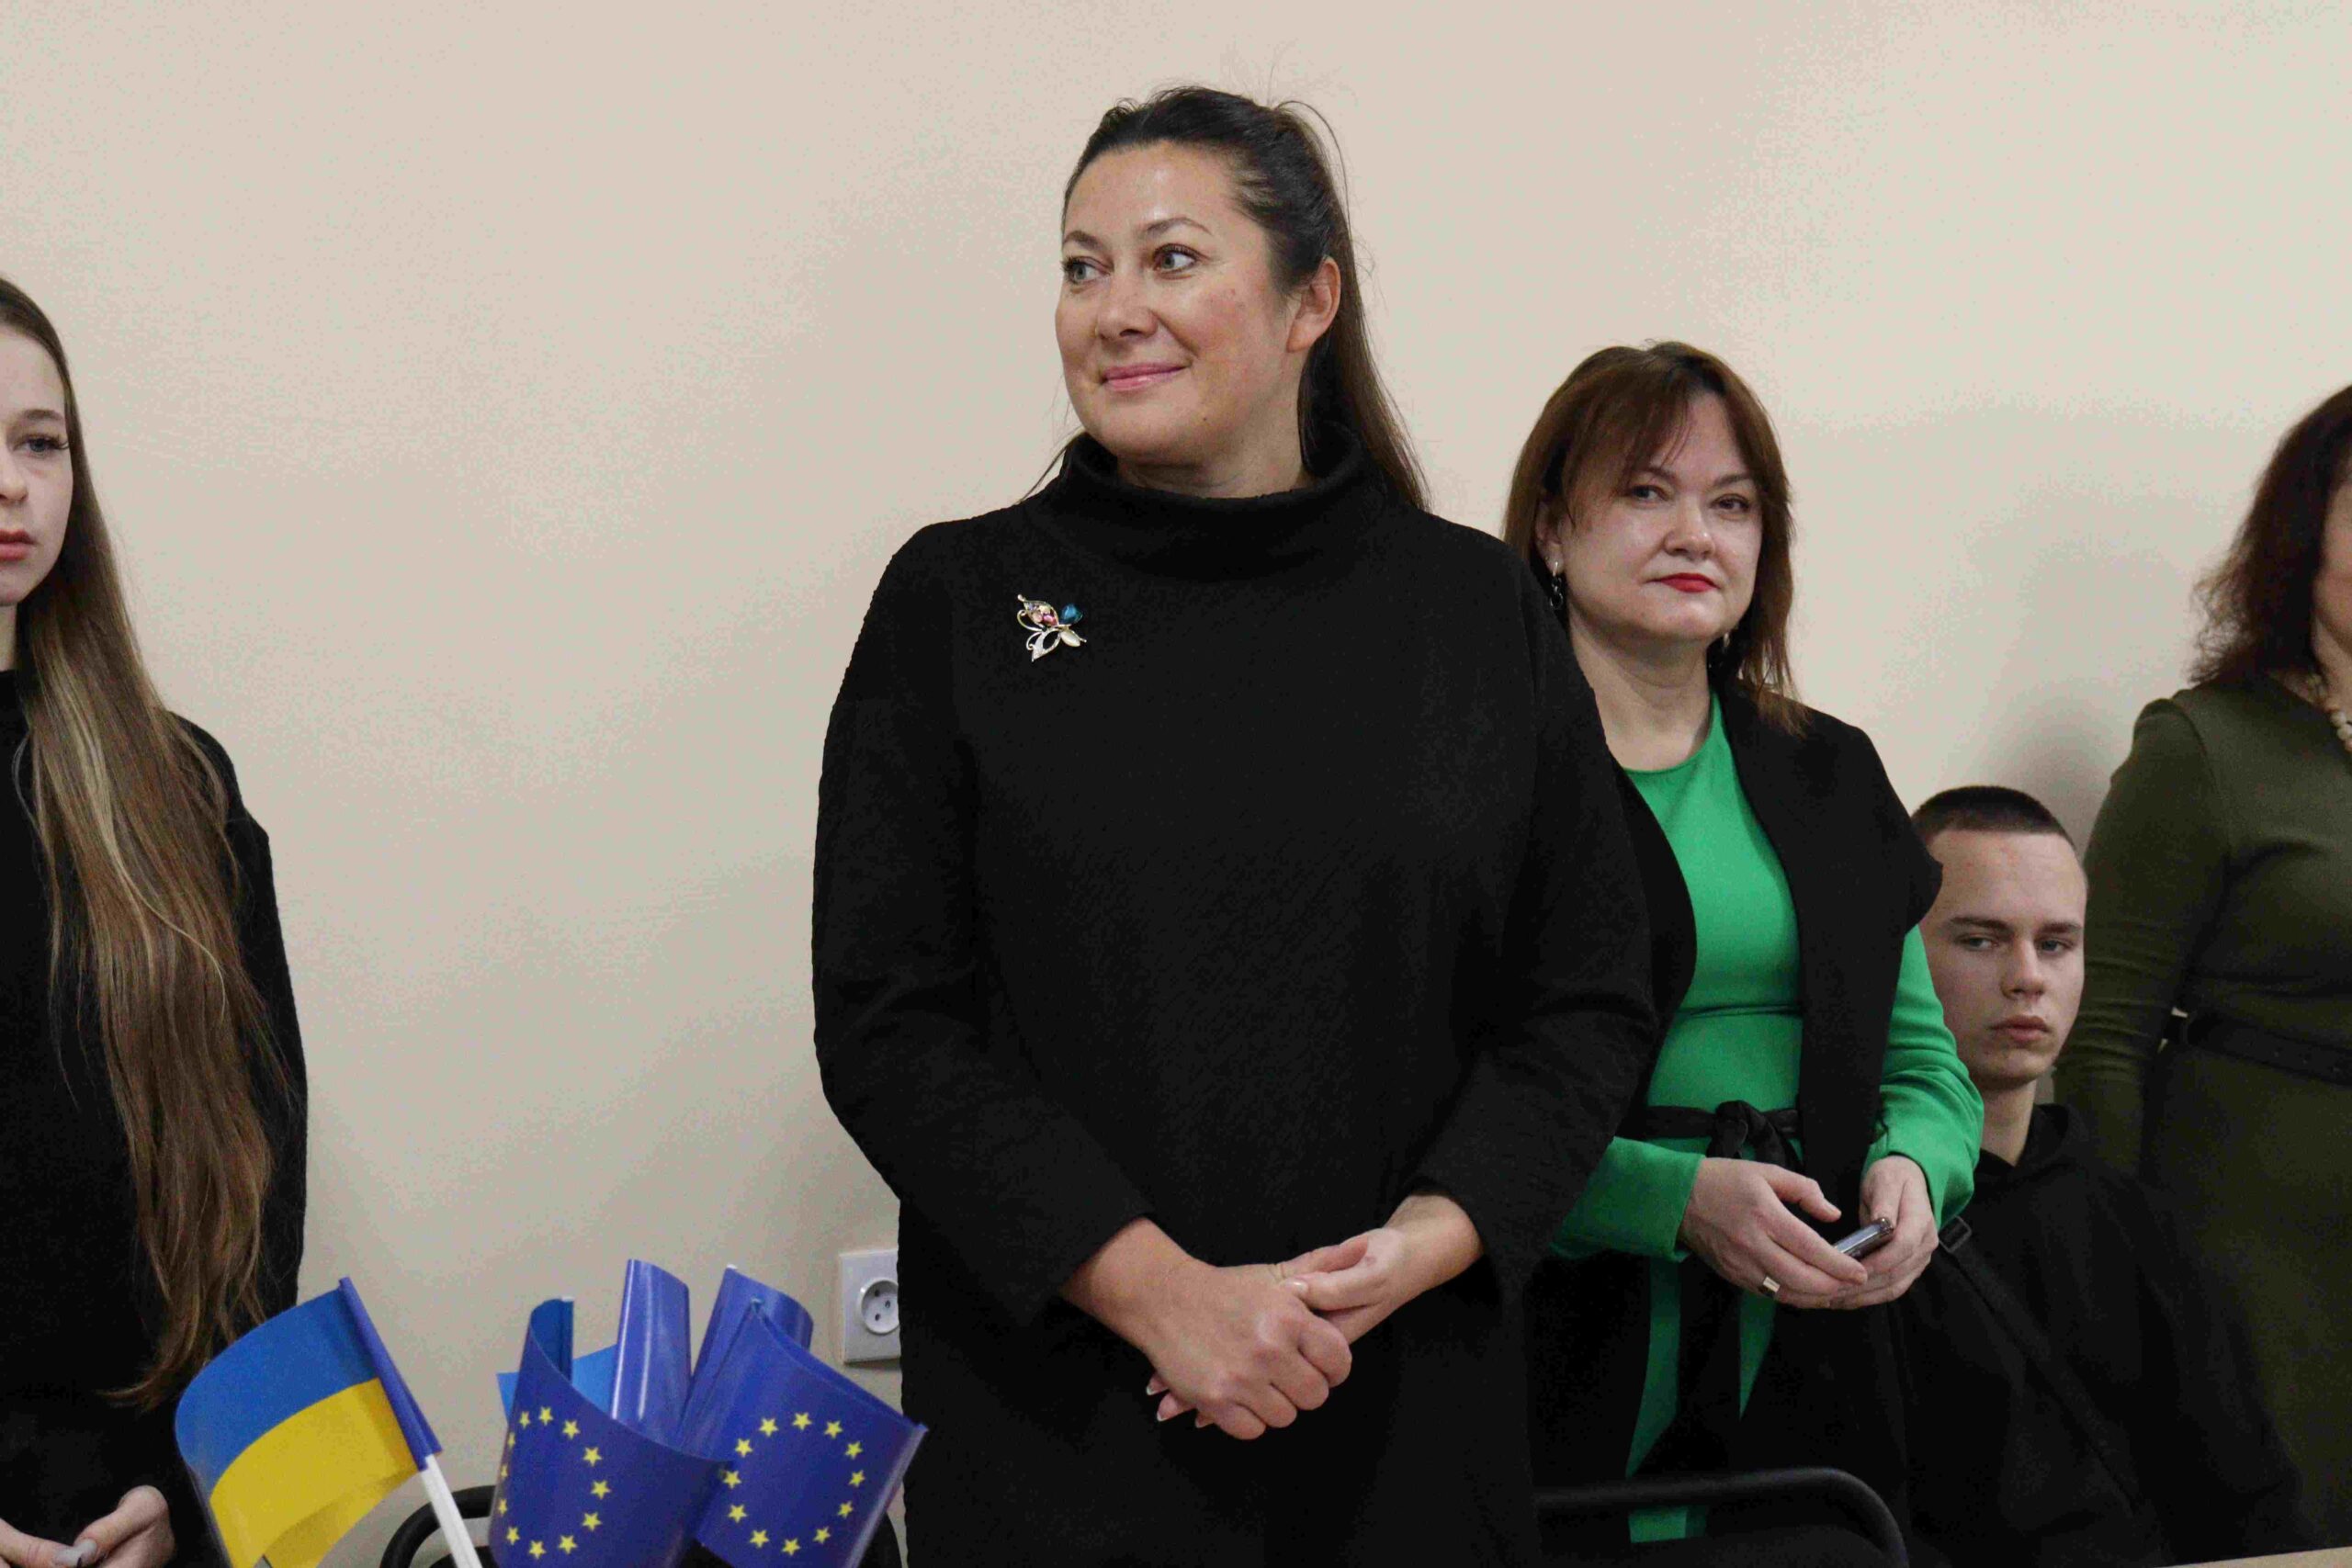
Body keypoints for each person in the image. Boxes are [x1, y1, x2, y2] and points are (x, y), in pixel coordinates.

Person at [810, 88, 1656, 1566]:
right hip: (1061, 1443)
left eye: (1172, 259)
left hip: (1404, 1425)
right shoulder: (958, 604)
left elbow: (1591, 988)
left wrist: (1427, 1239)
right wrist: (1162, 1294)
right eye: (1082, 268)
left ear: (1310, 300)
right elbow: (891, 1018)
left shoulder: (1473, 617)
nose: (1114, 309)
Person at [1510, 343, 1981, 1555]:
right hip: (1550, 1343)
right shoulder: (1478, 779)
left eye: (1731, 505)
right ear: (1552, 529)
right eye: (1646, 492)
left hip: (1818, 1353)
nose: (1695, 535)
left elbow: (1924, 1063)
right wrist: (1669, 1201)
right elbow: (1428, 1099)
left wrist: (1917, 1172)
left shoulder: (1831, 769)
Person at [0, 279, 305, 1568]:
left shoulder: (176, 787)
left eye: (40, 441)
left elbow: (257, 1174)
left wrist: (193, 1488)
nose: (12, 484)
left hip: (139, 1509)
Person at [2055, 382, 2352, 1536]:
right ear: (2303, 535)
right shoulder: (2202, 747)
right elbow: (2103, 1035)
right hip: (2257, 1248)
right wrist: (2122, 1279)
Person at [1897, 785, 2312, 1568]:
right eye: (1980, 939)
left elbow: (2252, 1501)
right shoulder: (1857, 1224)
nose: (2027, 977)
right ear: (1896, 954)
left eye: (2057, 943)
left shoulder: (2141, 1228)